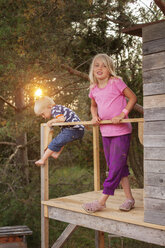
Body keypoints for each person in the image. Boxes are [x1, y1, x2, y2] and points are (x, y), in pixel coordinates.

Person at [82, 53, 137, 212]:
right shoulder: (93, 89)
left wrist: (122, 114)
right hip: (105, 132)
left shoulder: (116, 82)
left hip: (121, 132)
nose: (100, 68)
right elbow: (93, 106)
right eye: (97, 65)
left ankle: (102, 201)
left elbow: (132, 97)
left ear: (110, 69)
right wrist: (94, 116)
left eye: (104, 65)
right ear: (93, 69)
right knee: (118, 167)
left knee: (115, 168)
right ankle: (129, 199)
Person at [34, 96, 84, 166]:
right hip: (75, 129)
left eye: (43, 113)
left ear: (49, 107)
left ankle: (43, 159)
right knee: (61, 138)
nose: (43, 116)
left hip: (74, 129)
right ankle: (56, 153)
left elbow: (62, 119)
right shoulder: (58, 109)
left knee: (55, 142)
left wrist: (52, 121)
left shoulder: (54, 109)